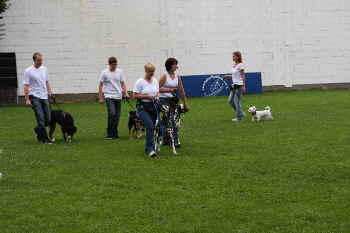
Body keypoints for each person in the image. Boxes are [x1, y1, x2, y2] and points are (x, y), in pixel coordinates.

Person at [159, 57, 189, 147]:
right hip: (163, 100)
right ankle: (176, 141)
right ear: (170, 66)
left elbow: (181, 90)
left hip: (173, 101)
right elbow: (157, 88)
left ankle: (165, 139)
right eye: (175, 64)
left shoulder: (177, 76)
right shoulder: (164, 76)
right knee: (171, 120)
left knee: (168, 121)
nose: (176, 66)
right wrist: (169, 90)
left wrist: (185, 103)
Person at [23, 52, 53, 144]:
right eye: (39, 60)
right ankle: (45, 139)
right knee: (40, 118)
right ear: (34, 60)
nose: (40, 62)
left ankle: (37, 130)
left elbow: (47, 81)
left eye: (41, 60)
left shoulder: (44, 69)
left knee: (48, 119)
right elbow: (26, 85)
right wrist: (27, 99)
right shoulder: (28, 71)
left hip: (44, 96)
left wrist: (50, 92)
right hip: (34, 97)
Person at [133, 63, 160, 157]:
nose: (152, 73)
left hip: (153, 106)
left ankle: (149, 147)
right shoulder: (140, 82)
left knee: (154, 128)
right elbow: (135, 95)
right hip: (143, 107)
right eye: (150, 71)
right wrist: (147, 96)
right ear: (146, 71)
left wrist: (156, 97)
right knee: (150, 126)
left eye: (153, 71)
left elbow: (157, 92)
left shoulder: (155, 81)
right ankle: (150, 150)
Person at [98, 57, 129, 139]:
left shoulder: (120, 72)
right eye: (113, 65)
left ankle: (114, 133)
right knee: (112, 113)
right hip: (108, 96)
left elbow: (123, 83)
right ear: (109, 64)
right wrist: (101, 97)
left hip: (118, 96)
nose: (114, 66)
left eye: (115, 64)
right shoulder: (104, 73)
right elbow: (100, 85)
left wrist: (125, 93)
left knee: (117, 116)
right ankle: (109, 133)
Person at [223, 51, 246, 121]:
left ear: (238, 57)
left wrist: (243, 85)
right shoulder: (234, 65)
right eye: (232, 56)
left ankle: (239, 117)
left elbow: (242, 75)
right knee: (230, 101)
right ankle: (241, 113)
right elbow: (235, 75)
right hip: (234, 85)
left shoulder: (240, 65)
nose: (232, 57)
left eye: (234, 56)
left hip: (239, 85)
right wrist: (227, 76)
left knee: (236, 101)